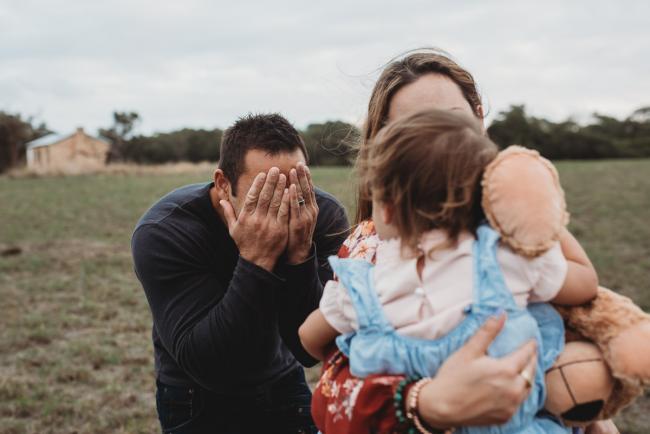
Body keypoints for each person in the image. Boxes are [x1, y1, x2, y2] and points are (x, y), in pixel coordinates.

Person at [307, 49, 619, 434]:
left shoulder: (515, 234)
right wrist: (427, 402)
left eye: (453, 122)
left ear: (479, 118)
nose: (440, 143)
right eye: (418, 128)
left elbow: (583, 307)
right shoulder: (372, 246)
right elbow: (330, 400)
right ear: (386, 150)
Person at [131, 113, 349, 433]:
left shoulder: (319, 216)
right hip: (195, 394)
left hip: (283, 379)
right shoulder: (165, 232)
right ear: (223, 185)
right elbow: (212, 364)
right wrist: (256, 258)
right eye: (263, 195)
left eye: (294, 191)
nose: (283, 207)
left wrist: (301, 255)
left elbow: (307, 349)